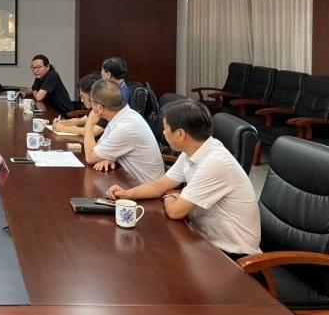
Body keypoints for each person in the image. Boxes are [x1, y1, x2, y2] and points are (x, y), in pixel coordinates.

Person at [106, 99, 260, 259]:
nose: (163, 133)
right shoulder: (192, 151)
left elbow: (175, 211)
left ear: (180, 134)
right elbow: (160, 185)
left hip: (232, 255)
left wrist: (169, 196)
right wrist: (127, 194)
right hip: (202, 239)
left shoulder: (214, 163)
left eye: (165, 128)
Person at [82, 79, 164, 184]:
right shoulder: (124, 116)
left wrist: (89, 123)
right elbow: (97, 149)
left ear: (100, 107)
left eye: (91, 101)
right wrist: (109, 157)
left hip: (147, 188)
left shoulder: (125, 127)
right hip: (130, 181)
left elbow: (90, 157)